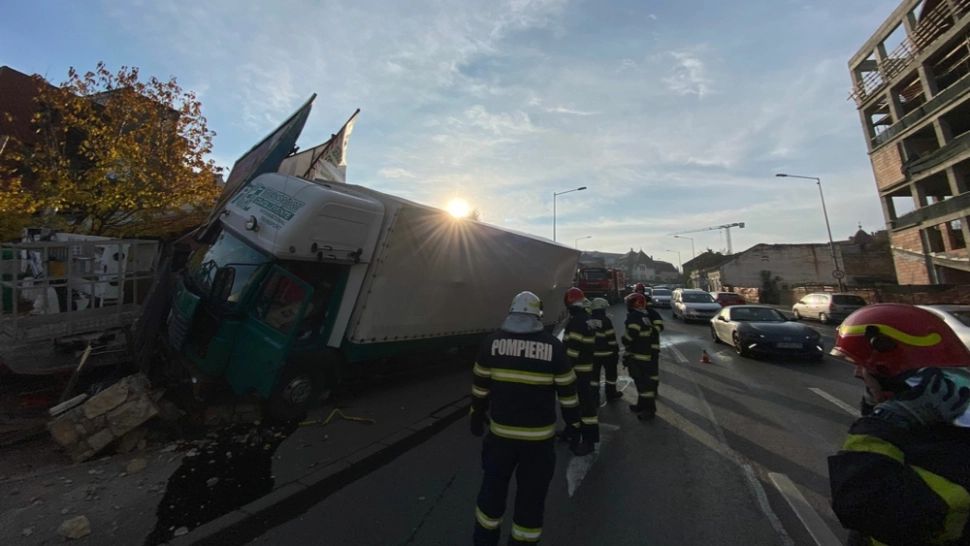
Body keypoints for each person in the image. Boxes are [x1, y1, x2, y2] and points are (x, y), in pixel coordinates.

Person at [827, 304, 970, 546]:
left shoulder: (948, 449)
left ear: (895, 375)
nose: (856, 374)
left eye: (865, 367)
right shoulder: (933, 423)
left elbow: (861, 505)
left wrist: (881, 424)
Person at [470, 291, 583, 545]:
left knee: (491, 495)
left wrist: (476, 415)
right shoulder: (554, 348)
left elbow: (479, 388)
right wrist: (574, 425)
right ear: (538, 315)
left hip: (500, 438)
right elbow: (568, 393)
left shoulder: (491, 343)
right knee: (531, 502)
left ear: (511, 311)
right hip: (539, 444)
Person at [562, 287, 599, 451]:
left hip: (578, 371)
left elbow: (572, 350)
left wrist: (563, 369)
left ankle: (589, 441)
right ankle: (571, 431)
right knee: (578, 404)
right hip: (586, 368)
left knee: (584, 406)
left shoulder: (576, 321)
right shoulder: (586, 318)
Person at [621, 292, 664, 419]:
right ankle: (641, 405)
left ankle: (649, 410)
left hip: (638, 356)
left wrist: (625, 339)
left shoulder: (634, 316)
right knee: (643, 383)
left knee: (643, 385)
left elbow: (632, 333)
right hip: (646, 354)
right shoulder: (644, 316)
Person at [590, 297, 622, 404]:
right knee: (611, 376)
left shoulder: (588, 320)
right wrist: (616, 352)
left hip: (593, 355)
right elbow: (611, 339)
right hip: (608, 354)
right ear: (602, 308)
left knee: (594, 378)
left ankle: (594, 398)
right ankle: (611, 394)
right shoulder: (606, 321)